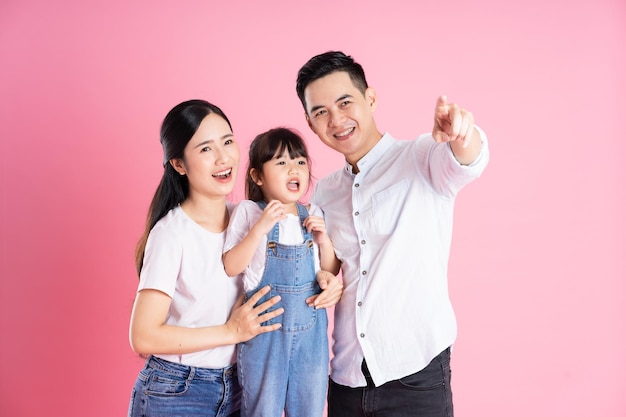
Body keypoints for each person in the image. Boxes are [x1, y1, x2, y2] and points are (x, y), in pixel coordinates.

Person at [295, 51, 490, 417]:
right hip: (347, 380)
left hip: (416, 375)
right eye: (320, 112)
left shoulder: (420, 157)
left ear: (370, 98)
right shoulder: (325, 192)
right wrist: (323, 274)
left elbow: (467, 161)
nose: (336, 120)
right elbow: (331, 269)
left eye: (345, 102)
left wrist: (462, 133)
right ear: (309, 122)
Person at [127, 100, 342, 417]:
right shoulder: (172, 233)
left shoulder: (251, 218)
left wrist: (326, 283)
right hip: (178, 393)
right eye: (205, 149)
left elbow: (305, 272)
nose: (223, 157)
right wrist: (231, 332)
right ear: (179, 164)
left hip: (241, 387)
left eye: (227, 141)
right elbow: (143, 336)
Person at [223, 127, 341, 417]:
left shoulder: (313, 213)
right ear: (257, 176)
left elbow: (328, 271)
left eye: (300, 162)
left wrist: (324, 240)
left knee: (310, 409)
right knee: (263, 409)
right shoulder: (249, 212)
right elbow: (231, 266)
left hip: (310, 335)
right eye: (281, 162)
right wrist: (260, 227)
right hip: (265, 333)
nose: (294, 169)